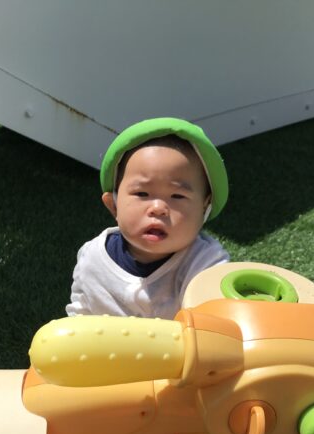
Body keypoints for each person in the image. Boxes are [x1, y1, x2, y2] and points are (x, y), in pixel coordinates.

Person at [66, 117, 230, 320]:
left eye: (177, 196)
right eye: (142, 194)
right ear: (113, 205)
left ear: (204, 209)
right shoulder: (92, 258)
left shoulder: (205, 264)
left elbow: (214, 320)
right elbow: (80, 313)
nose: (158, 208)